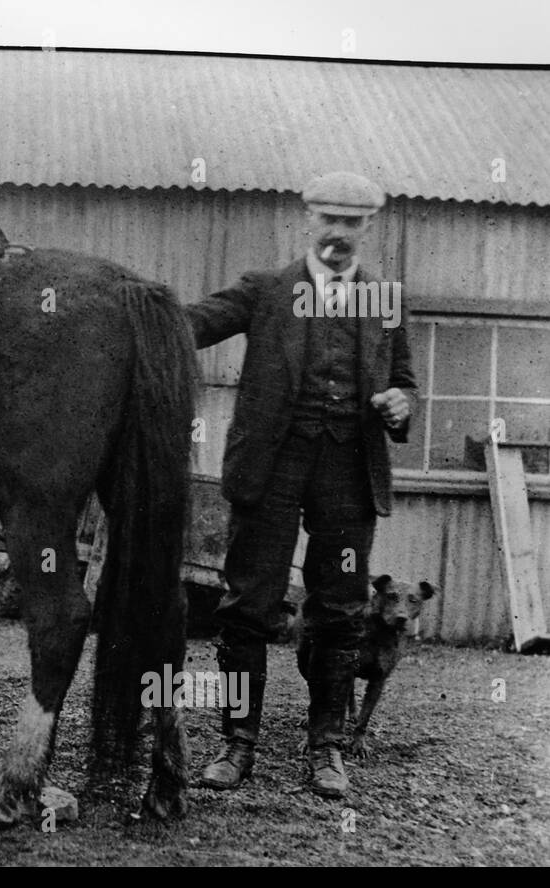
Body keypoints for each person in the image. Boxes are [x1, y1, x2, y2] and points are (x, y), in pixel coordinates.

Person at [185, 171, 417, 798]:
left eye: (353, 223)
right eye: (329, 220)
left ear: (369, 227)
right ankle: (237, 747)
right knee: (247, 608)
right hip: (272, 470)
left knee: (340, 612)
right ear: (307, 219)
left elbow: (405, 381)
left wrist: (401, 403)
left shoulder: (385, 299)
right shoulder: (266, 290)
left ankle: (327, 751)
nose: (339, 233)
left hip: (347, 470)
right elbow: (193, 324)